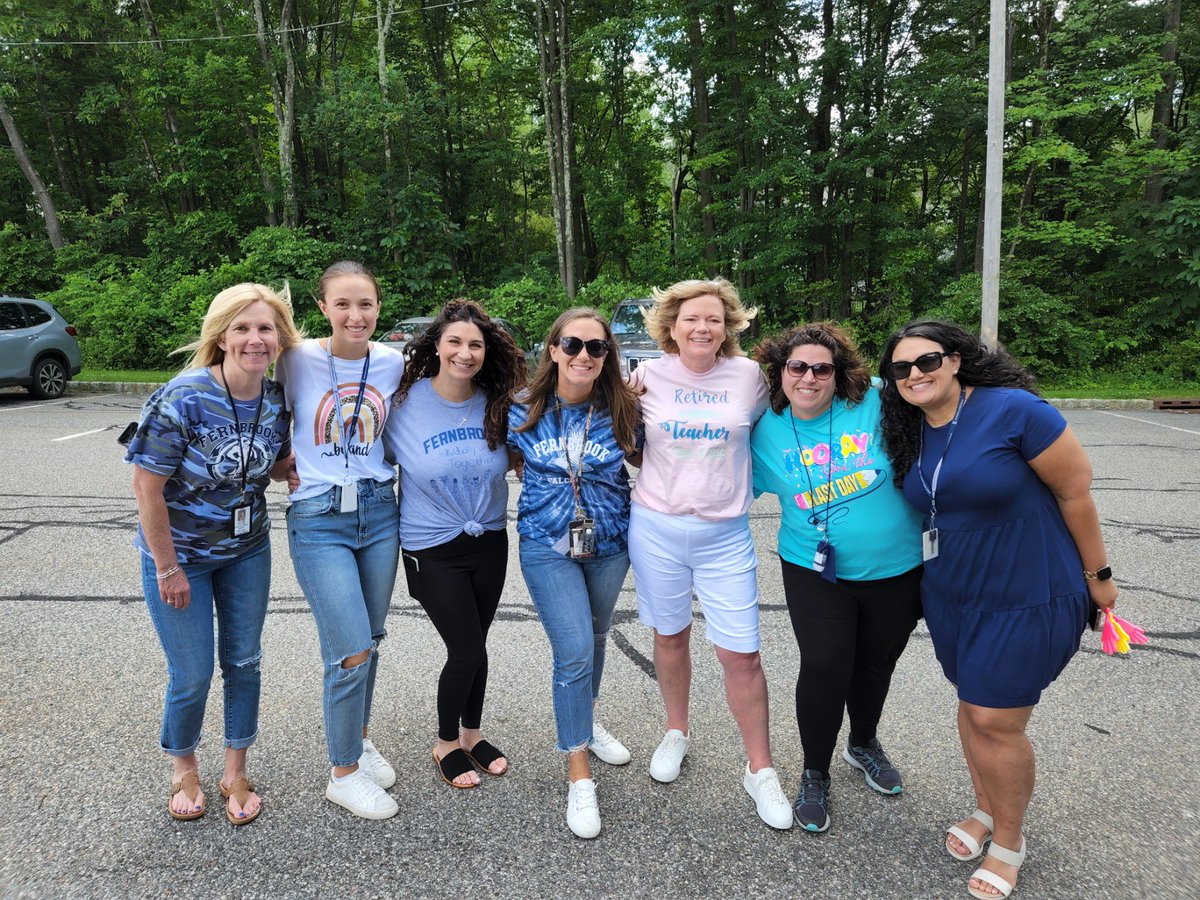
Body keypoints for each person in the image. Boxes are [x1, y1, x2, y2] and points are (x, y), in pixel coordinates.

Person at [878, 320, 1118, 899]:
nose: (915, 375)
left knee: (994, 719)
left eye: (927, 361)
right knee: (971, 705)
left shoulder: (1016, 411)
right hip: (954, 593)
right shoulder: (911, 426)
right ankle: (985, 810)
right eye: (902, 369)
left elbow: (1075, 493)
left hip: (1026, 588)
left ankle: (1010, 841)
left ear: (956, 361)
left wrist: (1099, 578)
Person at [127, 283, 300, 825]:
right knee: (194, 671)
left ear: (280, 339)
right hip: (183, 556)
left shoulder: (274, 400)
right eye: (242, 328)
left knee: (245, 662)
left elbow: (262, 461)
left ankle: (235, 769)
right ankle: (183, 765)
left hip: (247, 550)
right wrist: (168, 566)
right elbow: (146, 488)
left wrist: (286, 470)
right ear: (220, 336)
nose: (255, 339)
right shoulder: (183, 397)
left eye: (265, 328)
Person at [628, 277, 793, 831]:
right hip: (657, 527)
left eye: (715, 320)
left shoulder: (748, 377)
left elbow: (792, 425)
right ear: (670, 326)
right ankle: (676, 730)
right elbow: (618, 431)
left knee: (741, 653)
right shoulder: (646, 375)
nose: (703, 328)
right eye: (692, 319)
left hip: (725, 534)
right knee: (669, 635)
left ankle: (760, 768)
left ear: (729, 327)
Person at [750, 323, 924, 834]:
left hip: (898, 566)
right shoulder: (763, 430)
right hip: (813, 567)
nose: (809, 378)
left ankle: (863, 743)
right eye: (797, 367)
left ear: (838, 372)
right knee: (826, 664)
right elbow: (713, 475)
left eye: (821, 368)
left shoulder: (873, 402)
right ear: (779, 372)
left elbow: (941, 404)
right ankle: (814, 771)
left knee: (875, 663)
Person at [275, 261, 406, 820]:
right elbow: (253, 405)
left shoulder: (394, 362)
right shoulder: (295, 359)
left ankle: (360, 736)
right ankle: (343, 773)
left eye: (367, 305)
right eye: (344, 304)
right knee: (349, 647)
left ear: (379, 308)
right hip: (318, 516)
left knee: (371, 638)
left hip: (379, 511)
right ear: (322, 307)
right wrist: (280, 463)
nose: (356, 315)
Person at [508, 308, 641, 839]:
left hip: (610, 545)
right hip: (546, 545)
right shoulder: (520, 408)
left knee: (598, 635)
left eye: (597, 347)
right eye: (573, 344)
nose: (584, 355)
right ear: (553, 349)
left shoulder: (625, 407)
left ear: (608, 356)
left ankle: (586, 720)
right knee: (574, 650)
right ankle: (578, 771)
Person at [385, 300, 526, 789]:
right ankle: (445, 742)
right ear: (437, 346)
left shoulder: (498, 402)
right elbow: (365, 453)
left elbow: (524, 451)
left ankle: (472, 735)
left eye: (475, 345)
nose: (465, 353)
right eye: (455, 342)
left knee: (478, 646)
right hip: (430, 547)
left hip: (489, 540)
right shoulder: (402, 404)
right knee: (464, 650)